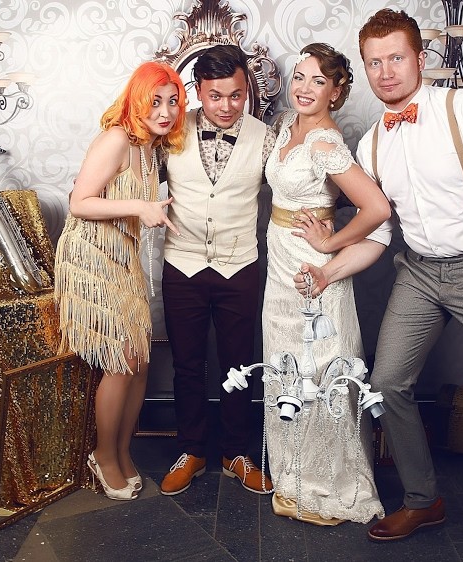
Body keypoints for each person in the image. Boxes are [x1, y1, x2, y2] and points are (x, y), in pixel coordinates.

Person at [294, 9, 463, 556]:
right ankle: (422, 500)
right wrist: (327, 265)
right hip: (419, 270)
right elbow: (379, 234)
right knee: (388, 382)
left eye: (396, 58)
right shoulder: (373, 143)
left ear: (420, 59)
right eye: (375, 62)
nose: (386, 72)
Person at [260, 42, 390, 525]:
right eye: (299, 77)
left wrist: (331, 242)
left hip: (311, 268)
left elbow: (377, 209)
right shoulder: (286, 126)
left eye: (318, 81)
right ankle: (292, 478)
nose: (304, 88)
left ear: (336, 92)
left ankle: (328, 487)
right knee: (286, 367)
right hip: (279, 264)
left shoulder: (325, 143)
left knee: (317, 368)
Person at [54, 61, 187, 500]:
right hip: (90, 256)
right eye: (156, 101)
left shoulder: (150, 147)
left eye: (173, 102)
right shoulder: (117, 139)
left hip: (121, 256)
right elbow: (79, 203)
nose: (165, 111)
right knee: (123, 359)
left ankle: (122, 452)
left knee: (141, 359)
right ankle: (102, 456)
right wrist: (139, 207)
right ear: (137, 99)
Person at [159, 44, 277, 496]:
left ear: (247, 90)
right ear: (198, 91)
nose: (226, 106)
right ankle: (191, 450)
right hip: (182, 264)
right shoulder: (171, 130)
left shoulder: (265, 137)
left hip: (239, 265)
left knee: (239, 363)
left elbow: (293, 188)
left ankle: (235, 453)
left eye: (236, 95)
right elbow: (134, 174)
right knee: (187, 364)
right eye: (215, 96)